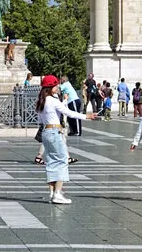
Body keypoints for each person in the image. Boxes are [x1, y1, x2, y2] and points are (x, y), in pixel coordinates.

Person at [38, 75, 97, 204]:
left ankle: (52, 192)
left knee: (51, 162)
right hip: (55, 131)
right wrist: (87, 116)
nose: (58, 87)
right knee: (62, 160)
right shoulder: (52, 100)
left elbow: (40, 120)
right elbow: (69, 113)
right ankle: (58, 193)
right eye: (55, 85)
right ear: (50, 87)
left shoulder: (42, 101)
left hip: (46, 132)